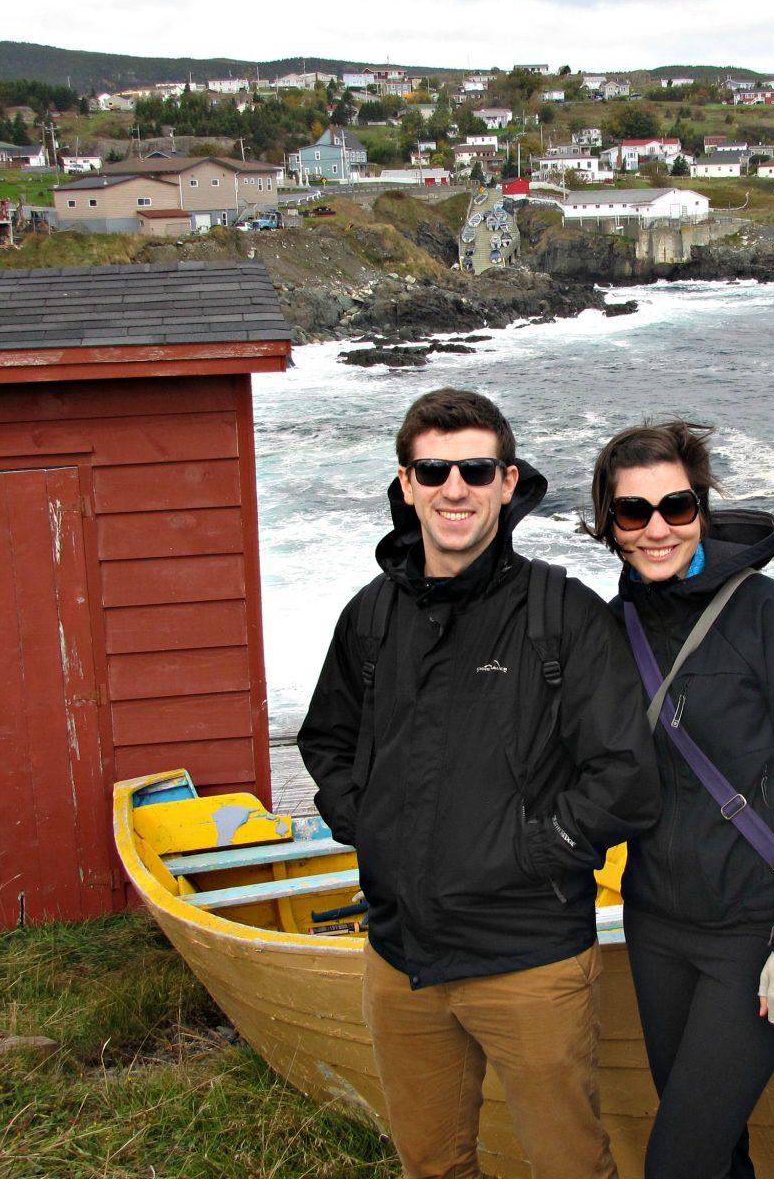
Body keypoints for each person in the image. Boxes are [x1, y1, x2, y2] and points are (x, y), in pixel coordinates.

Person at [298, 388, 659, 1179]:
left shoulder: (560, 614)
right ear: (406, 484)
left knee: (569, 1166)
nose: (452, 488)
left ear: (507, 480)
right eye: (433, 470)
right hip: (401, 961)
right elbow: (327, 736)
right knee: (431, 1165)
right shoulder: (371, 615)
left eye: (473, 468)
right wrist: (366, 821)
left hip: (528, 958)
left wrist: (532, 851)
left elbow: (626, 775)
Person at [586, 421, 774, 1179]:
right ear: (607, 525)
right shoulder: (612, 629)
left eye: (676, 507)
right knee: (714, 1150)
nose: (657, 529)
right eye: (633, 513)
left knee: (676, 1163)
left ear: (702, 509)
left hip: (754, 932)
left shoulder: (771, 615)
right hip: (654, 927)